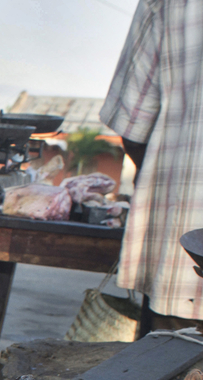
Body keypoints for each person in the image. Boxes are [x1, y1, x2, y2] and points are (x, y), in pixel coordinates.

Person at [102, 0, 203, 330]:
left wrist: (168, 195)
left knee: (165, 375)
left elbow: (132, 123)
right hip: (183, 275)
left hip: (181, 268)